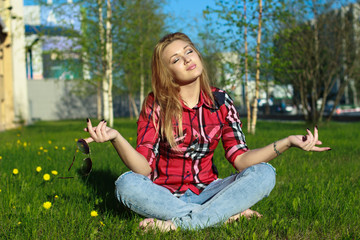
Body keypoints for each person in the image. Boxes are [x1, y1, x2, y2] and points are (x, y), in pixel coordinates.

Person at [83, 32, 331, 232]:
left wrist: (287, 141)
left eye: (188, 51)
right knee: (126, 183)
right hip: (165, 197)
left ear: (198, 55)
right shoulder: (156, 103)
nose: (187, 59)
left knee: (265, 173)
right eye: (176, 59)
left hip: (210, 191)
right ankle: (219, 217)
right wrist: (116, 138)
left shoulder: (221, 100)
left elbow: (240, 159)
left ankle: (184, 223)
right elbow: (143, 169)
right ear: (167, 73)